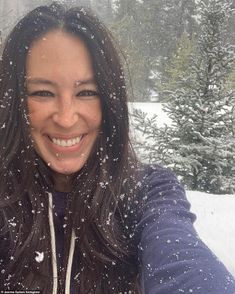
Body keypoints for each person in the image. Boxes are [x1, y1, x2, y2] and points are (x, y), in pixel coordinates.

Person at [0, 2, 234, 294]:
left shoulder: (147, 192)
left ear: (110, 102)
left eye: (87, 92)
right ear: (13, 102)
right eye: (42, 92)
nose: (66, 117)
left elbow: (183, 260)